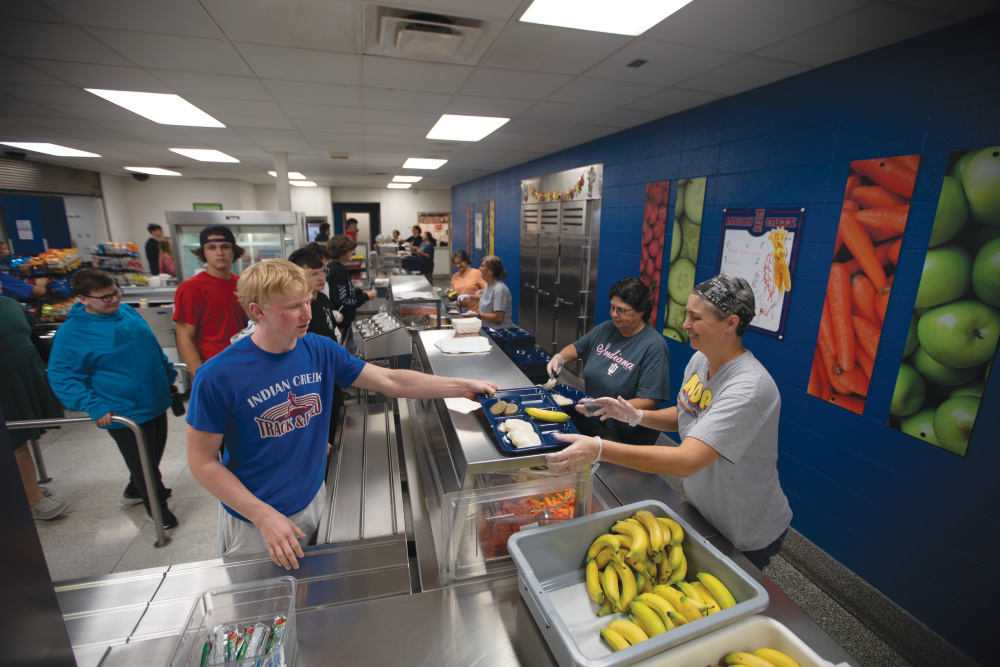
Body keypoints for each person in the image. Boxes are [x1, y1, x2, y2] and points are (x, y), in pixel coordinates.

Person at [185, 259, 498, 569]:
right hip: (255, 520)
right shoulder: (218, 375)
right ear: (258, 311)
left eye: (307, 301)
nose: (307, 313)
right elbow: (202, 462)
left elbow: (390, 380)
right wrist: (263, 515)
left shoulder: (319, 349)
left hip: (313, 498)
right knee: (259, 606)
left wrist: (461, 386)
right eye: (293, 306)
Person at [546, 274, 792, 570]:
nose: (685, 325)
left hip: (742, 527)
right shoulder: (701, 360)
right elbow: (687, 415)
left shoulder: (749, 387)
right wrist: (637, 415)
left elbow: (688, 460)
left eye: (695, 318)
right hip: (702, 507)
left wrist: (599, 449)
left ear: (730, 323)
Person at [48, 269, 180, 528]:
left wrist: (167, 372)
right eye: (105, 297)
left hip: (154, 398)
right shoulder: (73, 332)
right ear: (83, 299)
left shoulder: (127, 312)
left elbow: (151, 346)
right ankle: (156, 507)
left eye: (115, 293)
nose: (113, 300)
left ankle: (134, 490)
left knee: (152, 455)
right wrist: (93, 405)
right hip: (121, 409)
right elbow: (62, 375)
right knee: (143, 462)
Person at [546, 277, 670, 446]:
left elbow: (649, 400)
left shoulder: (654, 346)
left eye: (622, 310)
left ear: (641, 311)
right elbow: (577, 348)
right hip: (595, 422)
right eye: (612, 307)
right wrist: (559, 358)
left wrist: (605, 407)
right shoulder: (606, 329)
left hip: (626, 433)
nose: (614, 314)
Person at [0, 295, 69, 520]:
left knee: (25, 434)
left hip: (25, 377)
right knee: (16, 440)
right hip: (5, 382)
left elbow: (34, 338)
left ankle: (25, 486)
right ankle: (34, 498)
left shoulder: (9, 304)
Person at [173, 225, 247, 375]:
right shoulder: (190, 288)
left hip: (245, 364)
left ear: (234, 250)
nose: (219, 253)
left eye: (225, 247)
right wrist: (202, 376)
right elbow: (184, 339)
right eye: (212, 248)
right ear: (203, 253)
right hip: (213, 368)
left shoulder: (244, 284)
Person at [289, 248, 345, 439]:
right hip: (312, 384)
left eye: (323, 271)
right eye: (313, 273)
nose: (321, 277)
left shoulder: (322, 299)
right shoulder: (296, 311)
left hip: (331, 376)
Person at [327, 235, 376, 338]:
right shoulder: (339, 271)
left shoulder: (335, 267)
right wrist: (366, 297)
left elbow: (342, 292)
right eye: (350, 249)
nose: (352, 252)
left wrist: (360, 292)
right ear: (341, 251)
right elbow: (344, 301)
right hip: (342, 322)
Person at [468, 255, 513, 328]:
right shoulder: (488, 285)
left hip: (498, 332)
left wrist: (476, 315)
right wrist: (468, 297)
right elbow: (487, 300)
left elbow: (498, 317)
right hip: (488, 329)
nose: (479, 268)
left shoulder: (499, 290)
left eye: (482, 266)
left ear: (490, 271)